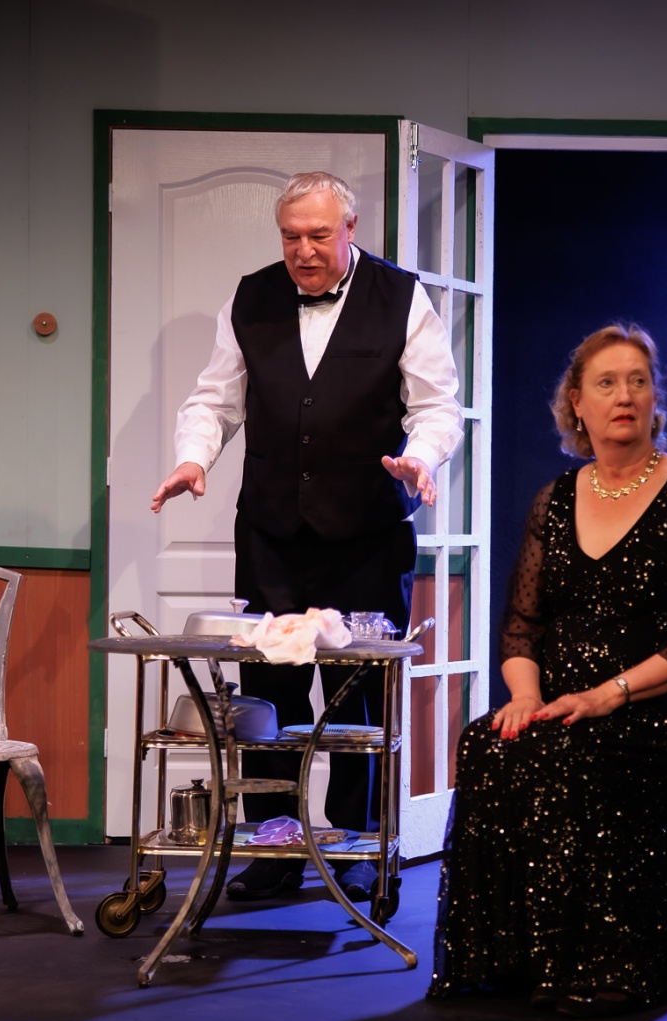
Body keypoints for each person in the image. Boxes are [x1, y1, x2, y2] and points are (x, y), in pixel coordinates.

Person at [151, 171, 462, 903]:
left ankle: (357, 847)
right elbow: (215, 399)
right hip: (272, 533)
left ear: (350, 229)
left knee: (357, 697)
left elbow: (436, 404)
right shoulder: (251, 296)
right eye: (291, 237)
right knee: (268, 696)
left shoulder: (402, 298)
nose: (304, 251)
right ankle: (275, 844)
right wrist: (194, 458)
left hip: (366, 533)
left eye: (319, 235)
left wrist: (421, 457)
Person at [427, 324, 667, 1017]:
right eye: (607, 383)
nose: (624, 396)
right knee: (487, 744)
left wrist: (607, 694)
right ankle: (516, 956)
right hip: (563, 702)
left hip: (657, 710)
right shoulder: (555, 499)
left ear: (654, 399)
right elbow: (521, 625)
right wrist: (525, 695)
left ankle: (608, 960)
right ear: (577, 403)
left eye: (637, 382)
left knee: (578, 751)